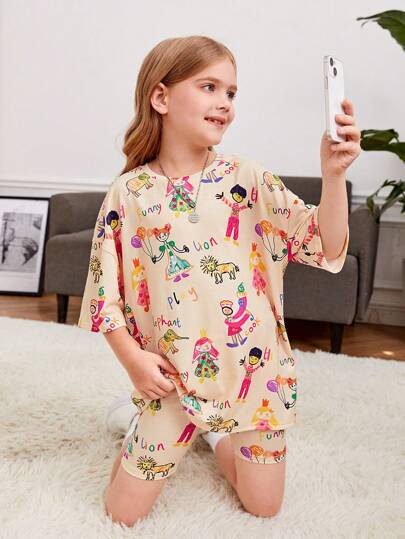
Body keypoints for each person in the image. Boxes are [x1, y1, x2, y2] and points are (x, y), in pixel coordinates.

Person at [77, 35, 361, 527]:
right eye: (209, 87)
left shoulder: (247, 178)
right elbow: (105, 297)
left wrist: (332, 175)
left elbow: (325, 244)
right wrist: (133, 361)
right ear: (161, 97)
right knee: (121, 514)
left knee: (263, 506)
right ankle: (147, 424)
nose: (225, 102)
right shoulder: (131, 193)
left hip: (255, 378)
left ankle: (213, 433)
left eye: (231, 92)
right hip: (171, 381)